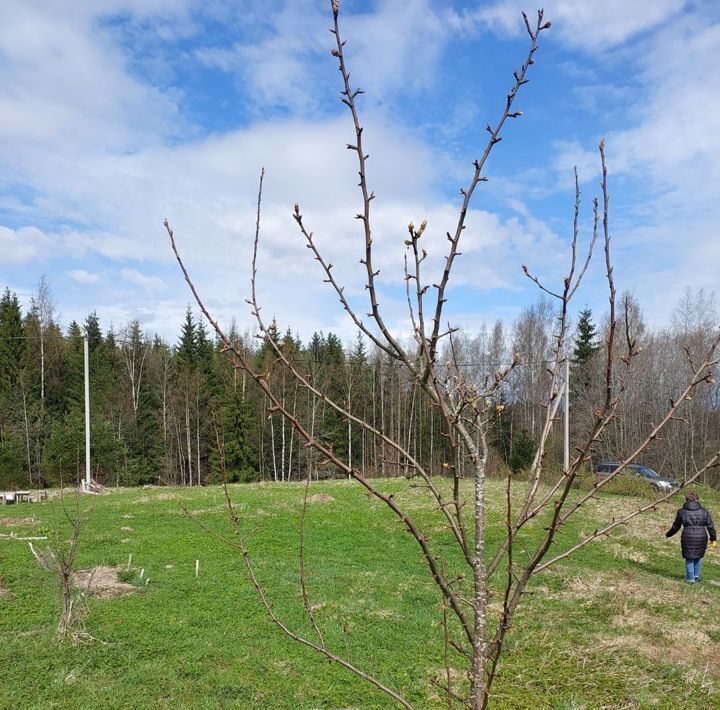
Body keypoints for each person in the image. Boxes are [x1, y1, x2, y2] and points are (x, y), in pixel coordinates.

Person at [666, 491, 717, 583]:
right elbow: (710, 526)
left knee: (689, 558)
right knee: (698, 557)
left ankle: (690, 579)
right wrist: (713, 539)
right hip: (701, 537)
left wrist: (668, 534)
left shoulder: (681, 511)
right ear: (697, 500)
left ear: (686, 500)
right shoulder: (704, 511)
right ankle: (696, 577)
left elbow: (676, 526)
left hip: (687, 537)